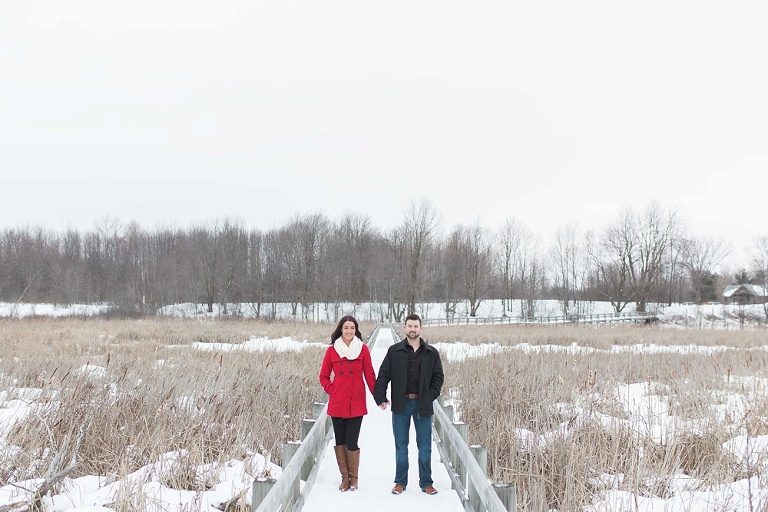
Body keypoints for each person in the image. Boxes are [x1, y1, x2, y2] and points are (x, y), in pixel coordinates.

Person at [374, 313, 444, 496]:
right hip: (401, 404)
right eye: (409, 326)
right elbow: (383, 375)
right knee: (401, 445)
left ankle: (427, 483)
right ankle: (400, 482)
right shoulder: (394, 351)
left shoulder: (431, 353)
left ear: (420, 328)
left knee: (425, 446)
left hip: (423, 405)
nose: (413, 329)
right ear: (404, 328)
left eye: (416, 326)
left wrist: (430, 396)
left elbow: (438, 377)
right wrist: (380, 396)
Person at [319, 315, 376, 492]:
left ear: (356, 330)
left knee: (352, 442)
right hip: (338, 403)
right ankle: (345, 477)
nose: (349, 331)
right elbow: (323, 376)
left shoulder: (363, 349)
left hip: (356, 403)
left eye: (352, 328)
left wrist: (379, 397)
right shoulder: (332, 351)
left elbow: (370, 375)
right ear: (341, 330)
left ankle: (354, 478)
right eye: (346, 328)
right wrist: (332, 389)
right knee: (340, 441)